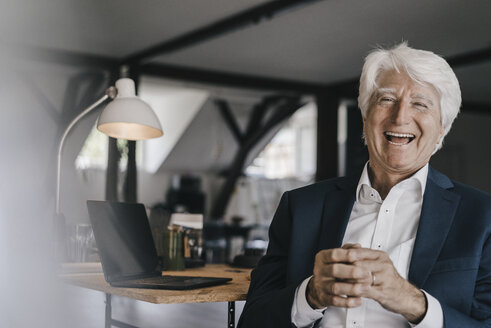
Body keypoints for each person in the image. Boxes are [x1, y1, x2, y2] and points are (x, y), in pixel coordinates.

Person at [238, 42, 491, 328]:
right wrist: (309, 295)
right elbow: (253, 320)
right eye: (386, 99)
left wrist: (412, 301)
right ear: (364, 117)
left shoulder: (482, 216)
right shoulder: (301, 206)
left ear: (442, 128)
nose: (400, 117)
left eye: (420, 104)